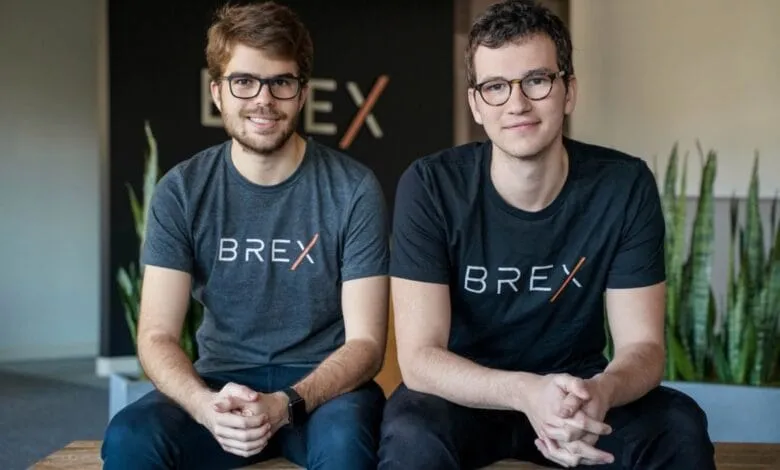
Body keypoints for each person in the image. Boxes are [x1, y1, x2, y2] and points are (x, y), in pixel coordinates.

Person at [378, 0, 715, 468]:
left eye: (536, 80)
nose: (517, 103)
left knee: (678, 426)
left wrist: (601, 392)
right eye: (495, 86)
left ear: (568, 91)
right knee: (409, 434)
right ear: (476, 103)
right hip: (467, 397)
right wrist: (524, 391)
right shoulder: (432, 186)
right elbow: (420, 360)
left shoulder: (623, 185)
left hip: (578, 395)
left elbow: (644, 347)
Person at [101, 2, 390, 469]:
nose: (263, 99)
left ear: (301, 93)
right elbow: (155, 334)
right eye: (244, 82)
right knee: (131, 437)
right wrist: (202, 406)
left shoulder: (352, 189)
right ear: (218, 91)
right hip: (220, 384)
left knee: (347, 450)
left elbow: (367, 345)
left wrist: (287, 404)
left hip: (321, 392)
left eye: (281, 82)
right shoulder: (182, 189)